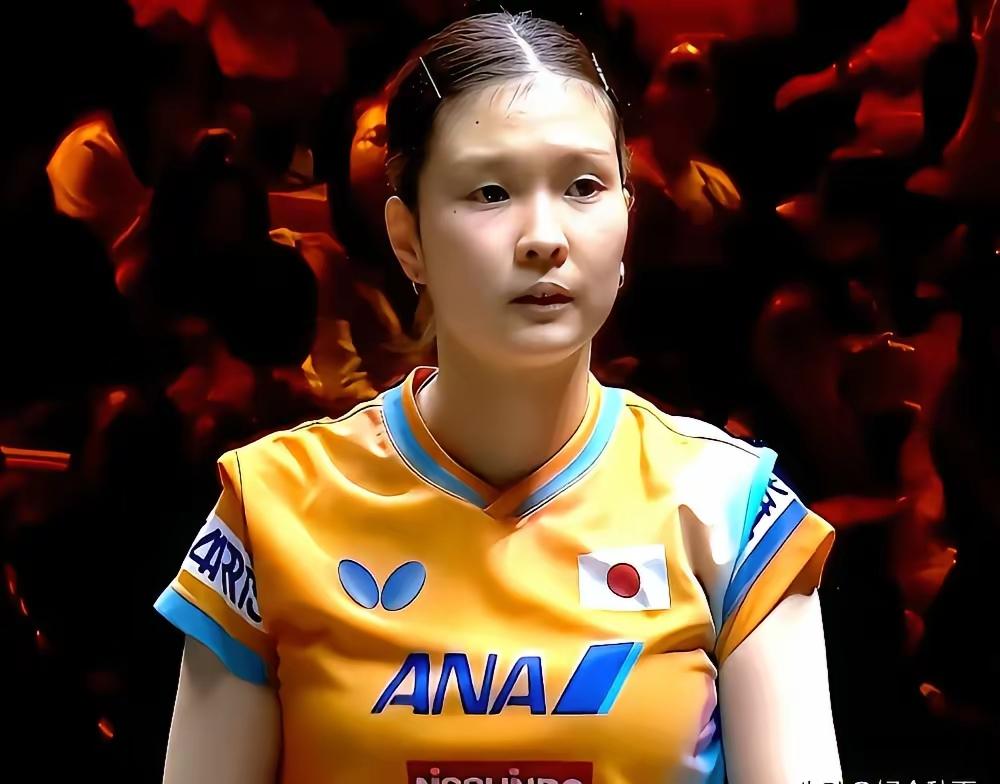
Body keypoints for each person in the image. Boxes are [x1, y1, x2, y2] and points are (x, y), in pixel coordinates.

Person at [155, 11, 842, 783]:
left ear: (626, 220)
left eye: (584, 186)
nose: (544, 236)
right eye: (490, 191)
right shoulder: (269, 509)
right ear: (408, 238)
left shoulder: (735, 512)